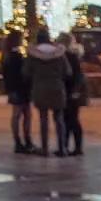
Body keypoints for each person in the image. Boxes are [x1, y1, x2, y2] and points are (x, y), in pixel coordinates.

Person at [25, 29, 68, 157]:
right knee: (59, 119)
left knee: (43, 119)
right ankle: (62, 148)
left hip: (40, 88)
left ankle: (44, 149)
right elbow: (67, 71)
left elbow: (26, 72)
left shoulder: (33, 55)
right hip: (57, 88)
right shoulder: (59, 54)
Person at [0, 29, 33, 154]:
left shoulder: (7, 56)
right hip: (21, 88)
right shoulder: (16, 57)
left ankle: (19, 141)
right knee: (24, 115)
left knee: (18, 115)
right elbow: (22, 73)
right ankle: (25, 140)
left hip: (14, 89)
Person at [61, 38, 88, 157]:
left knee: (70, 120)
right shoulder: (70, 57)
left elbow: (77, 76)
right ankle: (70, 146)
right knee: (69, 120)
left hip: (70, 92)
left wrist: (75, 91)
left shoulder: (69, 57)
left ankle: (72, 147)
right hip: (70, 92)